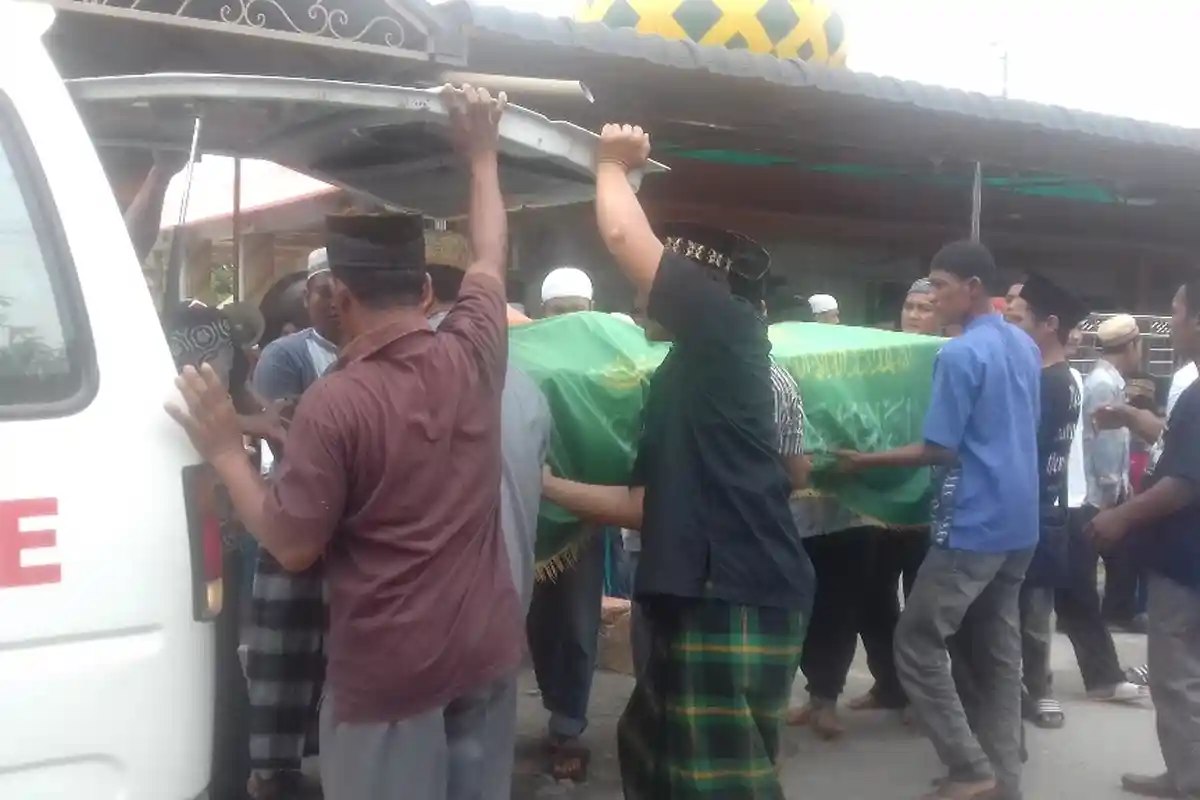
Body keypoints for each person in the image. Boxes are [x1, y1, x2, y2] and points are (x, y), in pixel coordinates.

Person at [165, 84, 523, 800]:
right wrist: (481, 153)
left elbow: (293, 545)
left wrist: (228, 451)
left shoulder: (338, 401)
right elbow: (490, 255)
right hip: (483, 653)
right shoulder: (475, 351)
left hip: (391, 679)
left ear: (341, 299)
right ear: (425, 291)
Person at [541, 125, 811, 799]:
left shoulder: (727, 338)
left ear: (704, 294)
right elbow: (645, 505)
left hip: (736, 592)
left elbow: (627, 241)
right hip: (693, 592)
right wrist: (540, 483)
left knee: (718, 784)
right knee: (656, 761)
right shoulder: (682, 373)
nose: (641, 297)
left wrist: (612, 165)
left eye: (664, 284)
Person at [838, 241, 1040, 800]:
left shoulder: (957, 355)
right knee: (1000, 654)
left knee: (918, 640)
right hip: (1020, 521)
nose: (931, 296)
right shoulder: (1022, 345)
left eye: (941, 285)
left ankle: (968, 766)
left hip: (973, 520)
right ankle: (1006, 781)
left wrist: (863, 461)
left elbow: (937, 448)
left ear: (972, 288)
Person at [1086, 281, 1200, 800]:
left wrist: (1123, 517)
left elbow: (1183, 482)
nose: (1170, 323)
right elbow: (1177, 448)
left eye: (1175, 312)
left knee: (1176, 678)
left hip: (1186, 558)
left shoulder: (1198, 393)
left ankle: (1189, 781)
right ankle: (1182, 771)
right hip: (1184, 556)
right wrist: (1133, 417)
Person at [241, 247, 343, 800]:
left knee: (336, 655)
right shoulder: (287, 353)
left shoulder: (367, 356)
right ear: (307, 298)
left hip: (349, 530)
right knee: (284, 656)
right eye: (319, 291)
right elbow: (285, 436)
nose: (330, 302)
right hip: (294, 516)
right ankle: (273, 772)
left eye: (338, 290)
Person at [425, 229, 552, 613]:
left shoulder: (384, 374)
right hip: (505, 619)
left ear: (423, 290)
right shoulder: (526, 387)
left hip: (418, 629)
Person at [846, 278, 941, 720]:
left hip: (928, 505)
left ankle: (929, 700)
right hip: (880, 502)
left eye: (925, 307)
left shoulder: (947, 359)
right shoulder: (878, 357)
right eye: (910, 305)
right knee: (872, 599)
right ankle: (889, 684)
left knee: (925, 611)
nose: (915, 314)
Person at [525, 264, 606, 780]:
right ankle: (557, 708)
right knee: (535, 621)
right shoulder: (524, 357)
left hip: (584, 513)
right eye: (558, 314)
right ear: (541, 315)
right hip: (527, 511)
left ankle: (570, 724)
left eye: (578, 313)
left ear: (592, 312)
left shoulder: (612, 361)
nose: (569, 323)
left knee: (578, 624)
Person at [1003, 275, 1088, 730]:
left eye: (1022, 317)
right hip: (1037, 507)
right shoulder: (1048, 377)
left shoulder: (1053, 384)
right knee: (1017, 610)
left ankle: (1039, 688)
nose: (1013, 325)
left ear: (1050, 324)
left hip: (1040, 509)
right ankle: (1019, 687)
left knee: (1034, 613)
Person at [1080, 315, 1145, 634]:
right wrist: (1111, 489)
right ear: (1131, 346)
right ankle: (1110, 614)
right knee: (1110, 551)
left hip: (1107, 485)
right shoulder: (1105, 384)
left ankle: (1107, 612)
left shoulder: (1108, 380)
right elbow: (1105, 440)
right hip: (1100, 490)